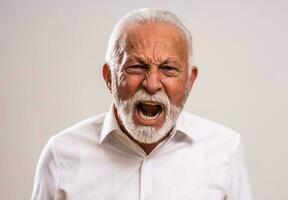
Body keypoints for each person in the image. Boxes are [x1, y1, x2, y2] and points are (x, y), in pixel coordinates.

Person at [31, 8, 252, 200]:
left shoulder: (226, 150)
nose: (152, 84)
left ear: (190, 81)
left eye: (168, 69)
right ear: (109, 77)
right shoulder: (60, 155)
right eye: (136, 67)